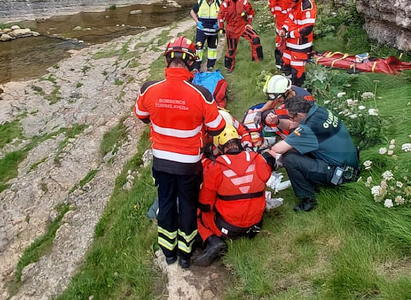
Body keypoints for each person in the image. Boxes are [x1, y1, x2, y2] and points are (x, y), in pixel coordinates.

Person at [134, 36, 226, 268]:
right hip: (189, 164)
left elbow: (142, 116)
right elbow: (218, 127)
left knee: (165, 204)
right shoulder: (202, 93)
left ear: (167, 61)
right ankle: (185, 256)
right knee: (187, 205)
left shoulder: (149, 89)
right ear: (192, 63)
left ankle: (169, 253)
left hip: (161, 161)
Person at [193, 121, 272, 267]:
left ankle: (212, 241)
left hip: (228, 228)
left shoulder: (216, 167)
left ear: (220, 147)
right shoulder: (257, 159)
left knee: (196, 212)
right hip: (256, 225)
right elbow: (266, 176)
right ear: (239, 142)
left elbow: (205, 204)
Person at [267, 96, 359, 213]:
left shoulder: (308, 129)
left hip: (340, 173)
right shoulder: (319, 111)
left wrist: (266, 149)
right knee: (295, 145)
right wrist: (278, 122)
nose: (291, 120)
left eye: (291, 117)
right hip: (349, 162)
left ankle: (308, 199)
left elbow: (278, 149)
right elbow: (291, 126)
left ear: (299, 115)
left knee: (289, 157)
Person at [279, 0, 317, 87]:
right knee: (284, 64)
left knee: (297, 72)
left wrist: (289, 33)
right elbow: (290, 19)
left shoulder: (306, 5)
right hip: (291, 42)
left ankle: (298, 93)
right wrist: (284, 29)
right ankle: (287, 87)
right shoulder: (295, 2)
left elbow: (307, 28)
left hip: (301, 45)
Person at [218, 0, 263, 72]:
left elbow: (251, 12)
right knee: (231, 50)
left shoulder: (244, 1)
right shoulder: (225, 3)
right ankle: (229, 67)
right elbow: (220, 16)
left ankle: (257, 61)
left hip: (243, 26)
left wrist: (249, 23)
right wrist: (221, 28)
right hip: (231, 29)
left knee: (255, 39)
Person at [263, 0, 290, 70]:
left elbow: (291, 17)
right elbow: (274, 13)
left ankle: (286, 67)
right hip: (279, 28)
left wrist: (286, 29)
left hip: (287, 29)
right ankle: (279, 67)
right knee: (278, 48)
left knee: (288, 49)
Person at [189, 0, 221, 70]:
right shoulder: (201, 2)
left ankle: (210, 66)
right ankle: (196, 67)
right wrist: (197, 22)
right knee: (199, 49)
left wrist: (219, 23)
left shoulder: (218, 3)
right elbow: (192, 12)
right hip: (202, 31)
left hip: (214, 32)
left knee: (212, 49)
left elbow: (225, 14)